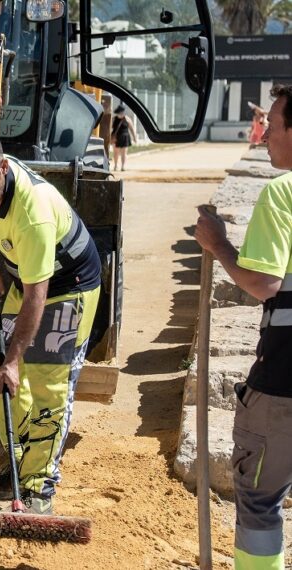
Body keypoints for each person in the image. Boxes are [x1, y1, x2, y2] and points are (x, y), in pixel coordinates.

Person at [0, 129, 102, 515]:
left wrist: (18, 358)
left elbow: (39, 295)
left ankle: (39, 487)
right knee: (2, 379)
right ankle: (16, 471)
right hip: (25, 276)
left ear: (3, 167)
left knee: (46, 381)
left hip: (66, 286)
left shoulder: (32, 211)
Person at [195, 84, 292, 570]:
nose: (265, 136)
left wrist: (218, 246)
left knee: (260, 501)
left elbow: (265, 282)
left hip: (284, 382)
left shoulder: (283, 193)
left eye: (273, 125)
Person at [111, 105, 137, 171]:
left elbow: (132, 129)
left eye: (122, 112)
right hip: (116, 138)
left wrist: (134, 138)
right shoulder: (114, 119)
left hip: (125, 137)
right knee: (115, 153)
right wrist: (109, 138)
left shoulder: (127, 119)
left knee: (124, 153)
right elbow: (109, 128)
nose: (121, 114)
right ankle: (116, 165)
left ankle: (123, 166)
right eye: (120, 112)